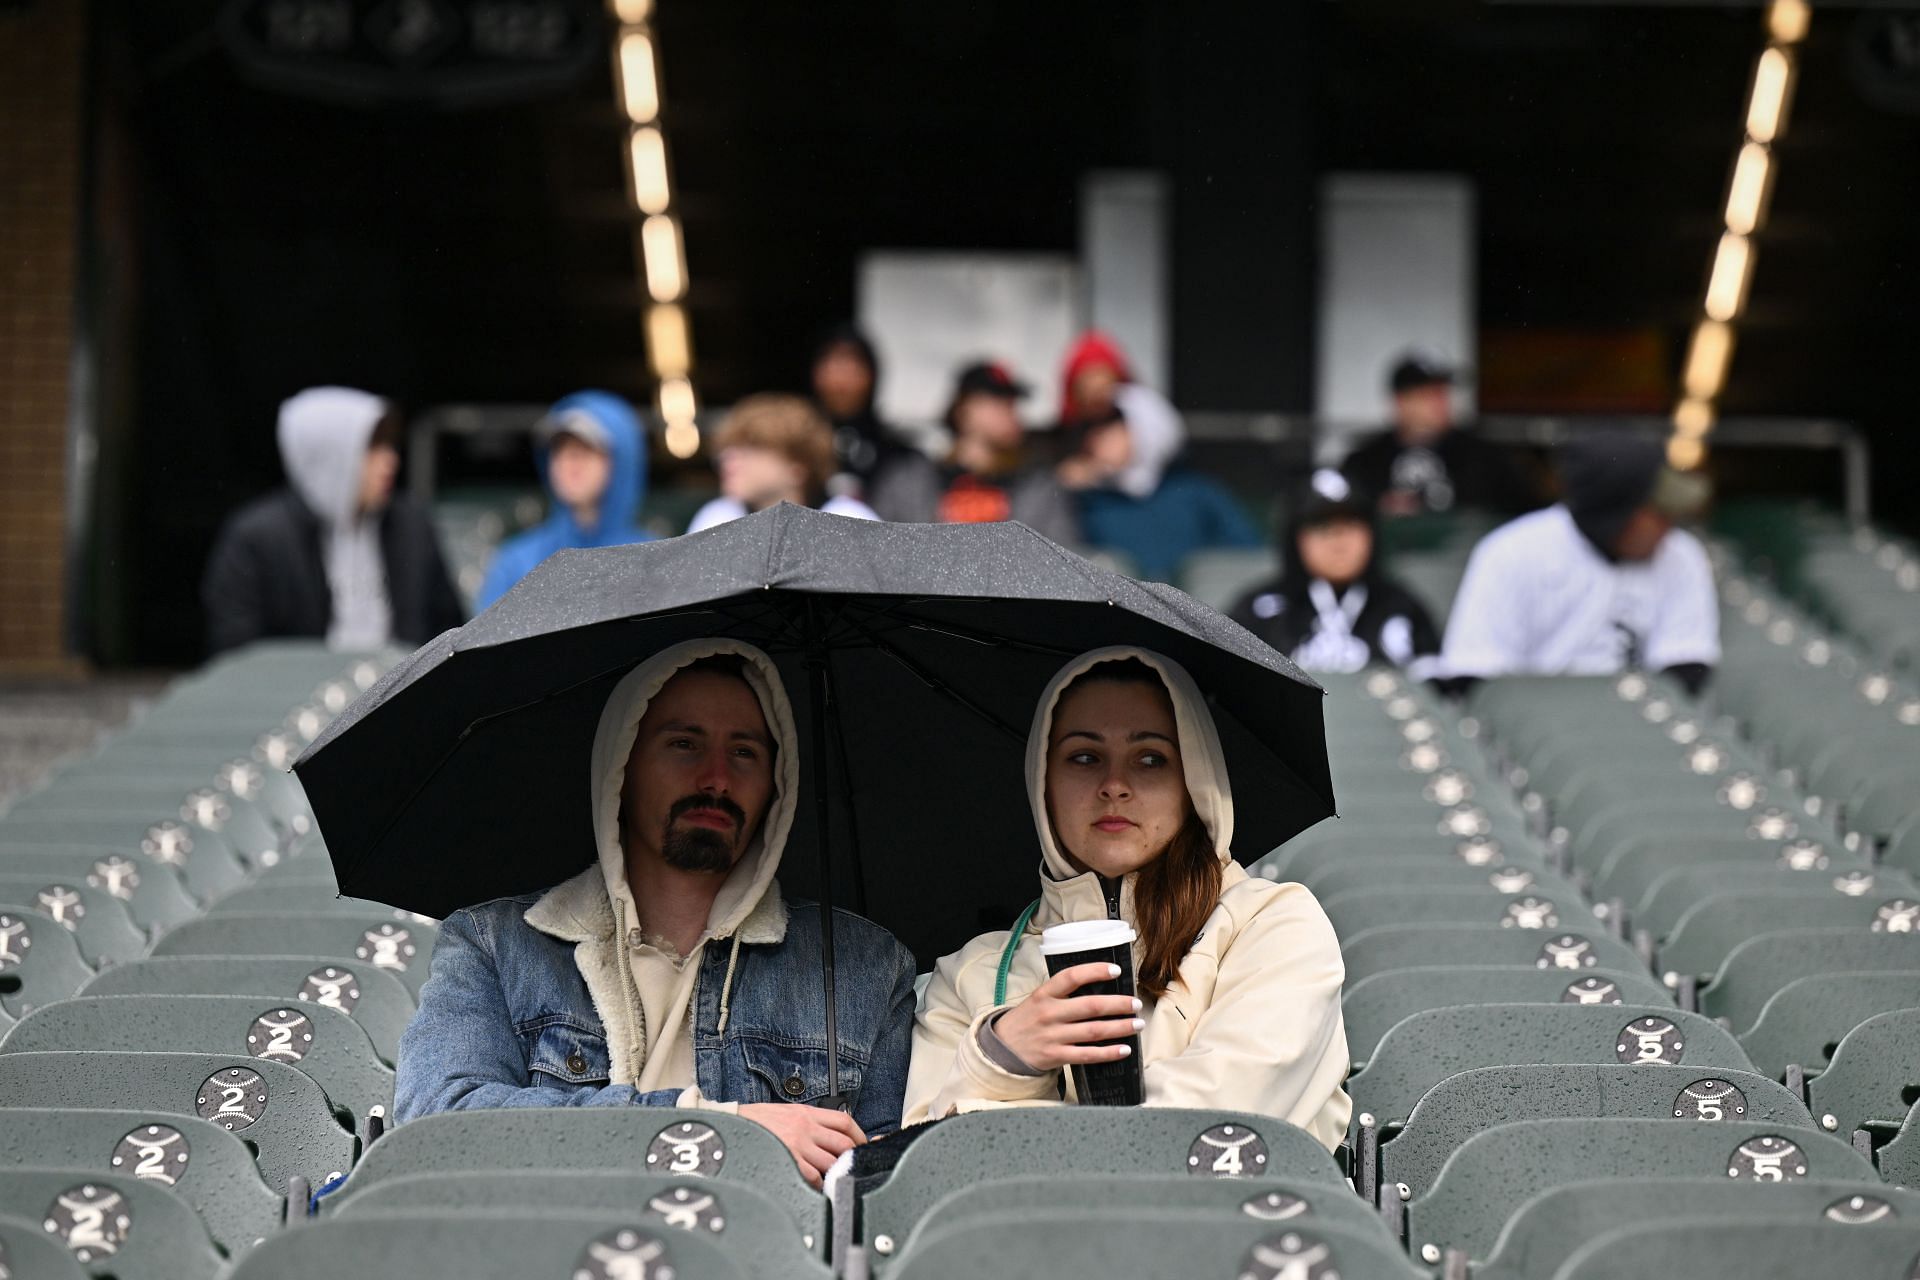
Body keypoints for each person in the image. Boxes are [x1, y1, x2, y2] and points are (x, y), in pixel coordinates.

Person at [395, 639, 919, 1186]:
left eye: (745, 752)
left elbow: (886, 1191)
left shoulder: (866, 968)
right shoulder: (495, 946)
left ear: (776, 786)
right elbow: (437, 1126)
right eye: (684, 744)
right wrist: (723, 1130)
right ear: (622, 768)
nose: (716, 778)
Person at [903, 647, 1351, 1146]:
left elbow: (1206, 1136)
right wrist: (1004, 1056)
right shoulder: (967, 975)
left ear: (1194, 782)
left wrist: (997, 1119)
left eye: (1151, 759)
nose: (1114, 785)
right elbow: (921, 1165)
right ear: (1042, 783)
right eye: (1085, 757)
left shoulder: (1272, 926)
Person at [1438, 434, 1718, 694]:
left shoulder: (1680, 555)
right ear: (1615, 516)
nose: (1669, 526)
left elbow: (1687, 667)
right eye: (1658, 514)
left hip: (1641, 725)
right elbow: (1475, 674)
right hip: (1535, 731)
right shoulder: (1511, 553)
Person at [201, 386, 463, 655]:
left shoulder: (411, 526)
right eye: (372, 447)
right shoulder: (257, 539)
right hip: (299, 693)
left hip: (403, 689)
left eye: (389, 444)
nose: (390, 460)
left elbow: (448, 629)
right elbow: (236, 652)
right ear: (329, 453)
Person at [1052, 332, 1260, 578]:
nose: (1096, 439)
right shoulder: (1080, 502)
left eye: (1111, 423)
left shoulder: (1197, 493)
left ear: (1145, 424)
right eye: (1089, 428)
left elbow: (1249, 563)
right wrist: (1059, 490)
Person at [1230, 471, 1442, 677]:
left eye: (1351, 525)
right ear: (1296, 539)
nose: (1339, 543)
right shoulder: (1259, 612)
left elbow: (1440, 694)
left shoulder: (1402, 607)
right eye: (1322, 527)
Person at [868, 361, 1080, 547]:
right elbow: (879, 548)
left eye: (1013, 404)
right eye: (999, 402)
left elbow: (1059, 554)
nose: (1012, 413)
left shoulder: (1037, 485)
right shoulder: (912, 479)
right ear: (964, 409)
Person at [475, 392, 652, 610]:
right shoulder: (515, 564)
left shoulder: (654, 560)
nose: (570, 463)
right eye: (560, 450)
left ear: (622, 461)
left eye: (585, 450)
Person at [1340, 351, 1534, 517]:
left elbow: (1522, 510)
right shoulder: (1366, 461)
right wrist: (1378, 508)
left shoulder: (1484, 457)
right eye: (1428, 395)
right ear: (1400, 402)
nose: (1439, 403)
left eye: (1443, 393)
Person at [686, 394, 878, 532]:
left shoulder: (849, 520)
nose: (728, 461)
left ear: (798, 465)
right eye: (729, 450)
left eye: (751, 449)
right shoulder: (717, 519)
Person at [811, 324, 909, 495]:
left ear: (872, 375)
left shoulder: (897, 454)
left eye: (853, 366)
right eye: (833, 365)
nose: (841, 380)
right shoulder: (799, 446)